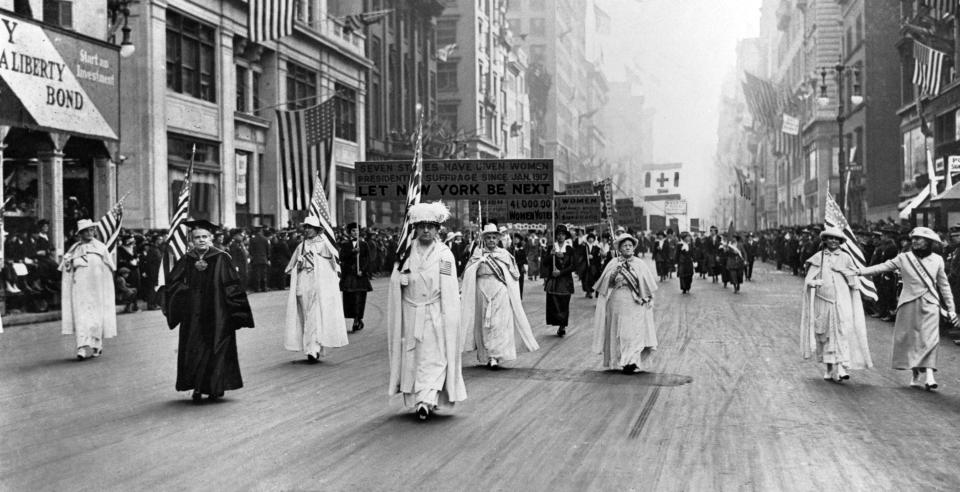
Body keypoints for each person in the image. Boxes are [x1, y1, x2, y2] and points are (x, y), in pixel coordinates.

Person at [850, 227, 960, 390]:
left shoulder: (937, 260)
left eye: (919, 239)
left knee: (930, 339)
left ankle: (929, 374)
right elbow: (882, 267)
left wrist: (951, 308)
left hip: (930, 303)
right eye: (913, 238)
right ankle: (915, 373)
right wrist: (858, 271)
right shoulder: (904, 258)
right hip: (908, 303)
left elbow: (944, 286)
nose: (914, 241)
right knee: (911, 340)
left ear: (928, 242)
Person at [386, 202, 466, 420]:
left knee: (434, 358)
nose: (426, 231)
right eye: (422, 226)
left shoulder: (444, 255)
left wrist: (449, 319)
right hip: (411, 312)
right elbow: (395, 279)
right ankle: (418, 398)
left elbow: (449, 288)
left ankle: (427, 399)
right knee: (414, 358)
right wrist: (398, 280)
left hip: (434, 314)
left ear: (438, 229)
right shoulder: (405, 253)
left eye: (431, 226)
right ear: (416, 228)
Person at [163, 219, 255, 401]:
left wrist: (236, 313)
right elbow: (173, 283)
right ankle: (197, 387)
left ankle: (214, 387)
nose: (201, 240)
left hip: (217, 311)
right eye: (197, 237)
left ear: (211, 238)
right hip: (194, 314)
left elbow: (232, 286)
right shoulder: (187, 259)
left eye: (205, 236)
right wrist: (184, 292)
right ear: (191, 241)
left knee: (217, 347)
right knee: (194, 349)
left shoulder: (221, 257)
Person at [461, 223, 539, 368]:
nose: (491, 240)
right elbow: (467, 274)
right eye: (488, 237)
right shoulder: (478, 254)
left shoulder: (504, 255)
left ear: (498, 239)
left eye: (494, 238)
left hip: (499, 290)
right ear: (484, 239)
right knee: (485, 322)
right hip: (482, 289)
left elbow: (514, 275)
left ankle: (496, 355)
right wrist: (478, 264)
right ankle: (488, 354)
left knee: (499, 323)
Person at [800, 227, 872, 382]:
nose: (833, 241)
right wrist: (813, 282)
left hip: (841, 300)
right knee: (825, 335)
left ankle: (841, 367)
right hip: (823, 301)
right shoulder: (818, 257)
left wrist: (846, 273)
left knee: (842, 332)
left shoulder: (846, 258)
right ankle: (828, 368)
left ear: (840, 242)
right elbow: (808, 279)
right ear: (825, 240)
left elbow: (854, 279)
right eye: (830, 238)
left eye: (836, 239)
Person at [592, 234, 659, 374]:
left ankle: (632, 361)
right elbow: (606, 284)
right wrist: (613, 274)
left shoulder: (639, 263)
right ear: (620, 249)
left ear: (633, 247)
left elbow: (646, 284)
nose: (628, 248)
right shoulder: (613, 263)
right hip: (617, 301)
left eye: (630, 245)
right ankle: (621, 360)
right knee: (620, 332)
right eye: (624, 246)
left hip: (634, 302)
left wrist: (648, 298)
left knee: (633, 332)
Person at [285, 216, 348, 362]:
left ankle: (313, 349)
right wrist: (298, 265)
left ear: (317, 230)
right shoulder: (300, 246)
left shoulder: (324, 245)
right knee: (306, 315)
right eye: (305, 227)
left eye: (310, 227)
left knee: (314, 316)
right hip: (303, 282)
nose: (307, 230)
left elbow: (333, 265)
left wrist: (319, 262)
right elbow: (289, 268)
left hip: (318, 283)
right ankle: (311, 345)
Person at [60, 219, 117, 359]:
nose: (90, 232)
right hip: (80, 288)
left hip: (97, 288)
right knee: (81, 316)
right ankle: (81, 347)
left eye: (91, 230)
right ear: (80, 233)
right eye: (86, 230)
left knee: (96, 315)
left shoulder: (101, 247)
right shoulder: (74, 249)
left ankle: (97, 344)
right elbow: (66, 268)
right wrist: (68, 262)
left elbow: (110, 267)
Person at [542, 224, 576, 337]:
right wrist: (550, 255)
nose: (560, 236)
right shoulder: (552, 247)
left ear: (565, 236)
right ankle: (558, 323)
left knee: (564, 304)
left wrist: (561, 272)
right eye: (558, 234)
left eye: (563, 234)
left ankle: (562, 326)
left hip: (565, 281)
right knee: (554, 303)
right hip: (554, 282)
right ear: (556, 236)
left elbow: (572, 266)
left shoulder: (570, 249)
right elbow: (545, 263)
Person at [339, 222, 373, 332]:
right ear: (350, 232)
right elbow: (342, 258)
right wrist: (352, 252)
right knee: (350, 299)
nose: (355, 233)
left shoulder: (364, 244)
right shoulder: (345, 244)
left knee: (359, 298)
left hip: (360, 276)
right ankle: (354, 317)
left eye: (357, 231)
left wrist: (362, 270)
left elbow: (368, 259)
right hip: (349, 276)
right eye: (353, 231)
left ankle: (357, 319)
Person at [248, 227, 271, 292]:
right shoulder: (265, 239)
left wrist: (253, 256)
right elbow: (268, 250)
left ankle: (258, 288)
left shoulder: (252, 239)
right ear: (261, 231)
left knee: (257, 274)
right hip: (264, 259)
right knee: (264, 274)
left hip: (256, 259)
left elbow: (250, 250)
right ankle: (264, 287)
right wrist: (268, 258)